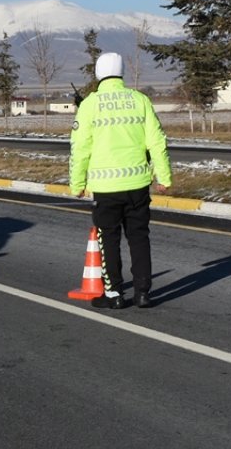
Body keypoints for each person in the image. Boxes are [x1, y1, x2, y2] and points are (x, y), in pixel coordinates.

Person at [69, 52, 172, 309]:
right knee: (139, 237)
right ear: (122, 71)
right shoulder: (140, 100)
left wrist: (77, 183)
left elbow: (80, 147)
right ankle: (143, 293)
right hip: (137, 185)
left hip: (106, 188)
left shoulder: (90, 105)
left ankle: (114, 294)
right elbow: (157, 142)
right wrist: (164, 177)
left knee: (109, 239)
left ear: (98, 73)